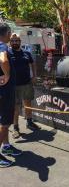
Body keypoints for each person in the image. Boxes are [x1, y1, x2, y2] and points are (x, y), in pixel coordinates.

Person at [9, 34, 40, 139]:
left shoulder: (26, 53)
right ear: (10, 42)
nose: (14, 42)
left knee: (28, 103)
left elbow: (33, 63)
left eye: (16, 40)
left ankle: (29, 122)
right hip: (14, 85)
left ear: (20, 41)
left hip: (27, 83)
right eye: (12, 41)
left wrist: (35, 76)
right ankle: (16, 128)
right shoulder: (7, 53)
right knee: (16, 107)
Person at [0, 23, 22, 167]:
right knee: (4, 122)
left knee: (4, 121)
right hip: (5, 91)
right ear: (6, 33)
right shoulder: (2, 46)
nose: (11, 36)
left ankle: (6, 146)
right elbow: (3, 60)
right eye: (10, 33)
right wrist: (7, 75)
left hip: (4, 90)